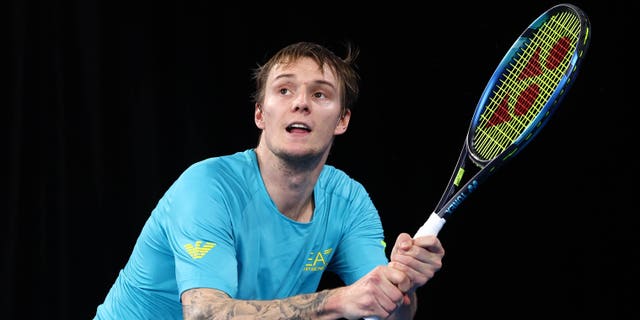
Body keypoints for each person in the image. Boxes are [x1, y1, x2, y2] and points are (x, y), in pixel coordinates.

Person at [94, 41, 445, 320]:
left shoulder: (349, 201)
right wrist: (338, 302)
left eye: (320, 94)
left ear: (342, 120)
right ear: (261, 114)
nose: (301, 104)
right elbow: (204, 314)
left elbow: (388, 313)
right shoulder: (206, 187)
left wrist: (404, 287)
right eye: (284, 90)